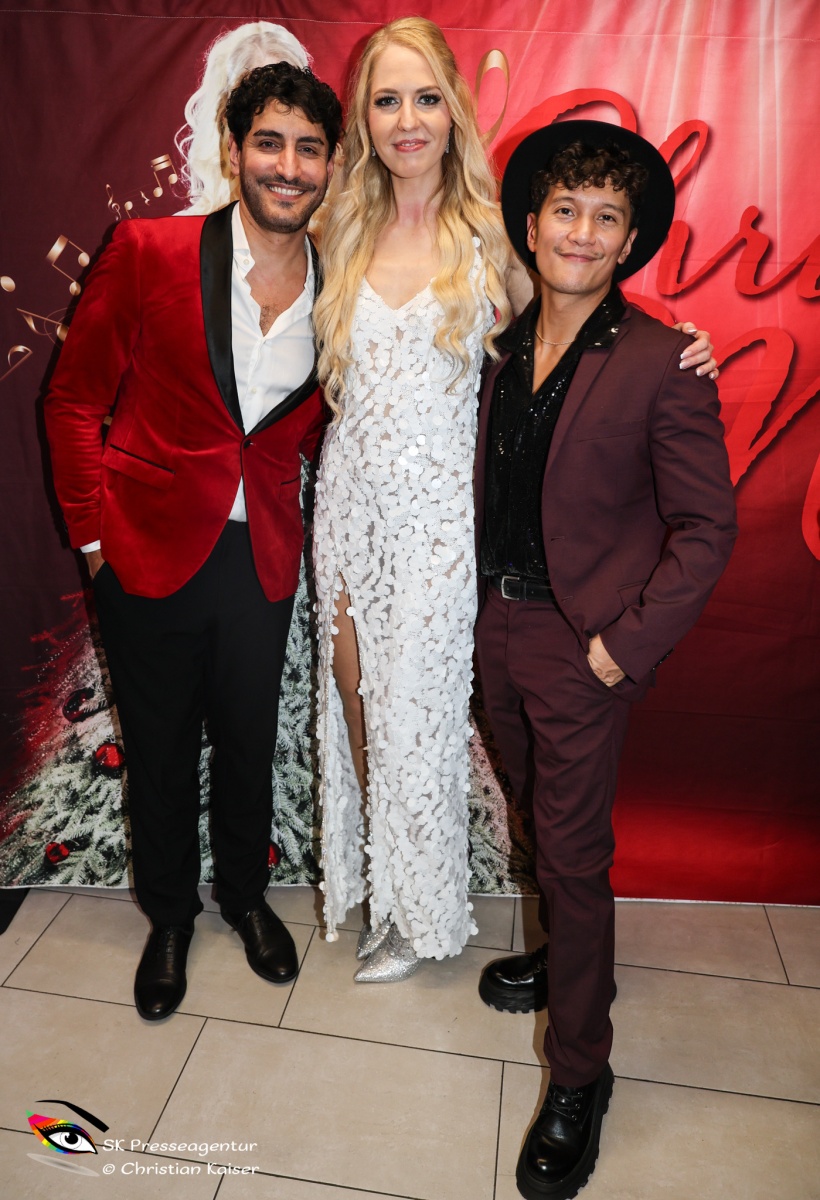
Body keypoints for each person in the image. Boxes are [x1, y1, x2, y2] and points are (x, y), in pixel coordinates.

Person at [311, 19, 717, 984]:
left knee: (418, 717)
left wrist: (683, 341)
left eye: (425, 97)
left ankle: (418, 914)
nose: (408, 120)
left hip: (447, 520)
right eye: (386, 100)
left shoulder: (495, 232)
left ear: (454, 108)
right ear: (365, 119)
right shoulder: (340, 226)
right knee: (357, 704)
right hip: (349, 507)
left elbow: (585, 325)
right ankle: (384, 886)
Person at [44, 63, 343, 1021]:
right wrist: (94, 542)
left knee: (249, 742)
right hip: (146, 549)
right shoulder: (149, 249)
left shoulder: (343, 285)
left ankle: (245, 899)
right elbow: (74, 400)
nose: (288, 166)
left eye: (308, 149)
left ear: (330, 166)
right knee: (162, 748)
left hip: (262, 558)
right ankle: (169, 918)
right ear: (234, 149)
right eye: (270, 143)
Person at [473, 121, 737, 1199]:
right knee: (535, 811)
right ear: (532, 226)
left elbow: (707, 529)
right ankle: (557, 952)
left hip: (582, 646)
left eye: (606, 218)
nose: (581, 233)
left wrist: (621, 650)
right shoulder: (496, 347)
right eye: (565, 211)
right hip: (491, 630)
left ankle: (581, 1074)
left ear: (629, 242)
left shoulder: (662, 360)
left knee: (577, 860)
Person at [175, 21, 311, 215]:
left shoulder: (334, 226)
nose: (274, 114)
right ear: (225, 117)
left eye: (287, 95)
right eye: (254, 99)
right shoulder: (189, 227)